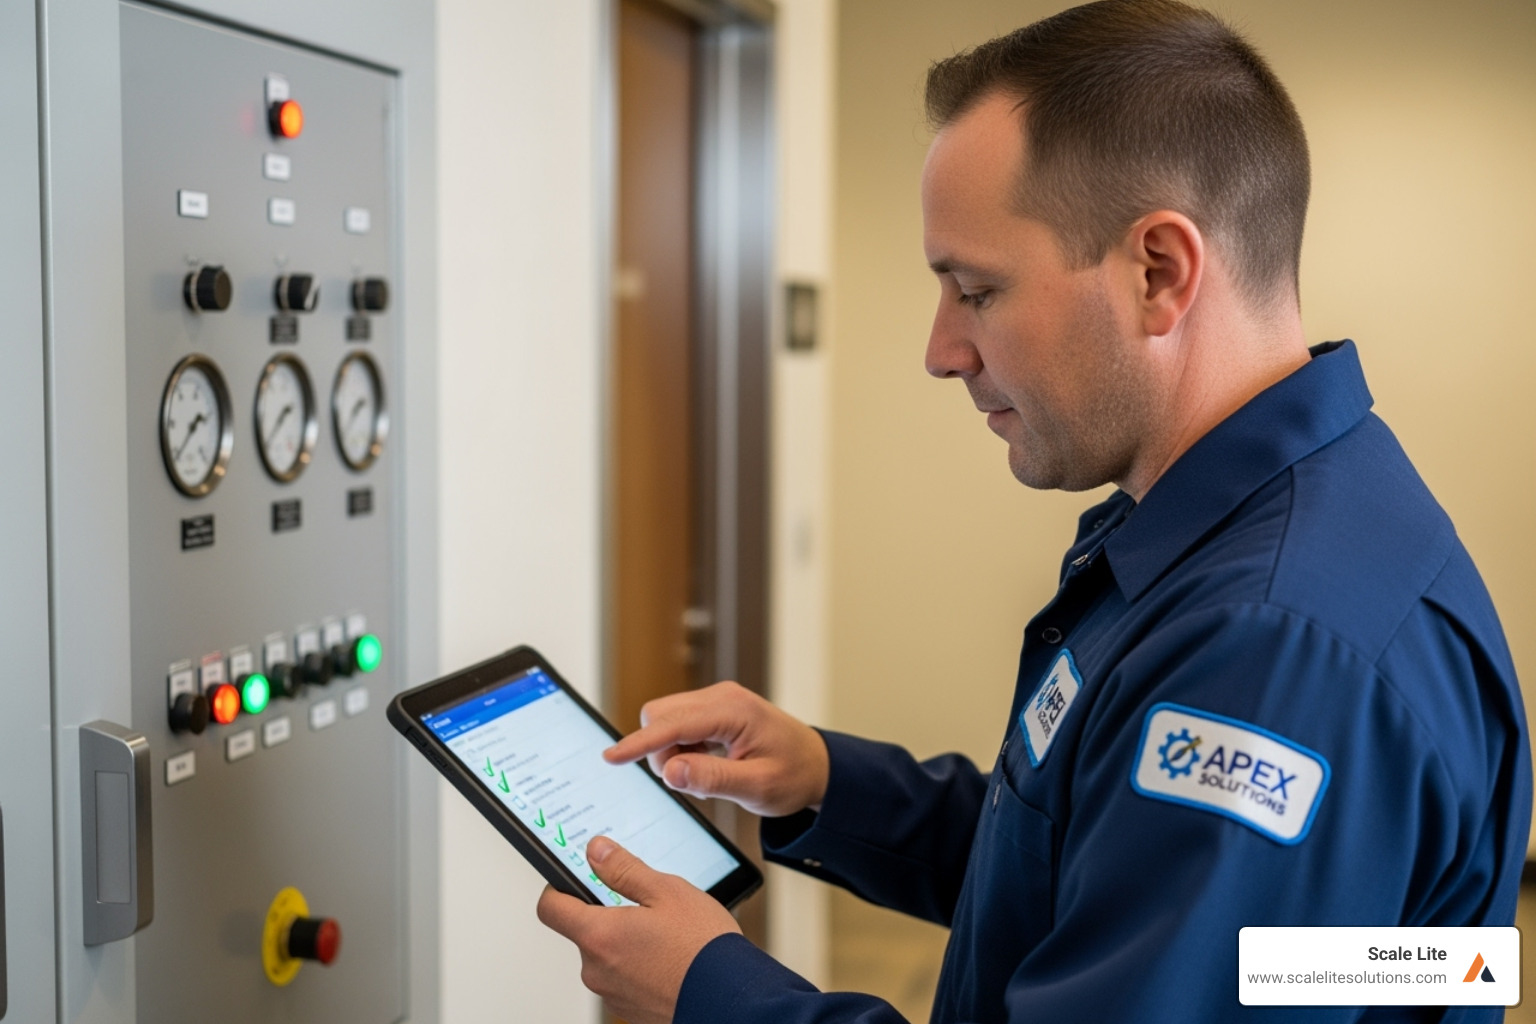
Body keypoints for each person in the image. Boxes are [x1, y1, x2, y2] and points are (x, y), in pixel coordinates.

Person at [536, 1, 1532, 1020]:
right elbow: (1119, 873)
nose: (940, 350)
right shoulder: (1280, 527)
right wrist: (831, 780)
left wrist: (714, 988)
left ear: (1161, 272)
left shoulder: (1270, 649)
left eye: (975, 289)